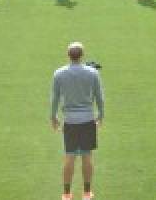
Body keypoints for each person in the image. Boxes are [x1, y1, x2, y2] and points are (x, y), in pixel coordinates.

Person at [51, 42, 104, 200]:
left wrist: (53, 116)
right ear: (82, 55)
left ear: (68, 55)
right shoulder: (93, 73)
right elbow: (99, 97)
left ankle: (67, 194)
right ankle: (87, 192)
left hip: (70, 121)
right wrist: (101, 115)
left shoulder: (59, 74)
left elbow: (55, 98)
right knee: (87, 156)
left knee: (69, 157)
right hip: (87, 120)